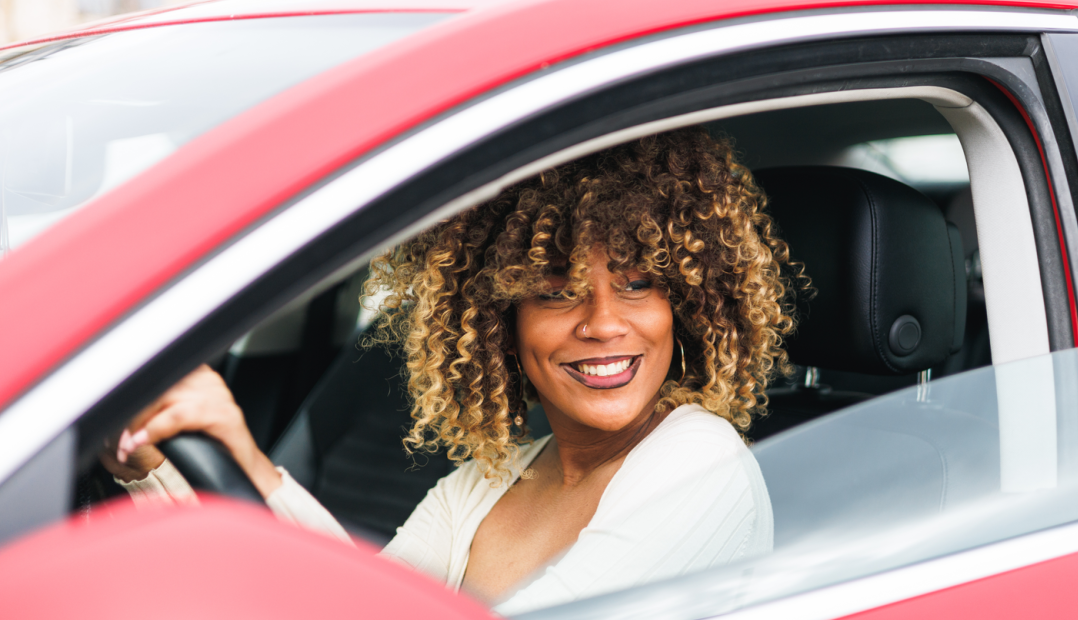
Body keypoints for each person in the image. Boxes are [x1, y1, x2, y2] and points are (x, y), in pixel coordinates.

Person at [102, 126, 804, 614]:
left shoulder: (698, 463)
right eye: (557, 290)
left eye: (638, 283)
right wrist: (166, 469)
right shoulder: (493, 479)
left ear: (684, 304)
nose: (602, 322)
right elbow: (363, 600)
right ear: (503, 320)